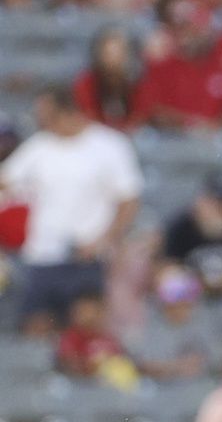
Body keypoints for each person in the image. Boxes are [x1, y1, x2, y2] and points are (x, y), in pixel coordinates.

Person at [0, 87, 142, 332]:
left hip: (86, 256)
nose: (39, 122)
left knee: (85, 328)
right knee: (35, 328)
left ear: (67, 112)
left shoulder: (109, 145)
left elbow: (128, 202)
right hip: (42, 256)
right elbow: (6, 181)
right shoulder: (40, 146)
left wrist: (104, 240)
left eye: (45, 116)